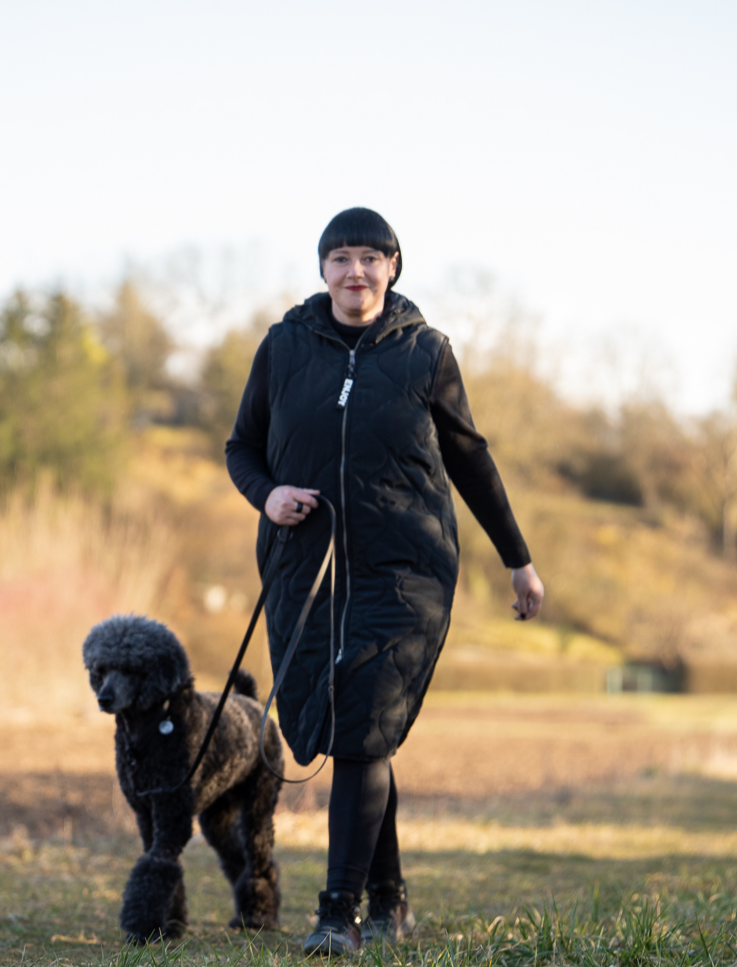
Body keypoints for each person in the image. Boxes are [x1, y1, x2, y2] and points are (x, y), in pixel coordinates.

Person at [226, 207, 544, 955]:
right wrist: (267, 496)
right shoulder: (282, 348)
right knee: (347, 733)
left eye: (370, 257)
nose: (355, 271)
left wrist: (517, 557)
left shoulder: (424, 353)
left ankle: (339, 914)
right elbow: (243, 446)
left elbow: (470, 458)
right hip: (305, 568)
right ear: (323, 271)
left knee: (364, 724)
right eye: (340, 258)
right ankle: (391, 897)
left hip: (405, 570)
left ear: (393, 267)